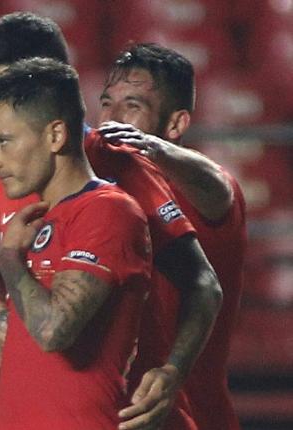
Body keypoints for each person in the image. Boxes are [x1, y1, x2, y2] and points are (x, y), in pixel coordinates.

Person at [0, 13, 223, 430]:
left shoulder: (118, 170)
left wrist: (174, 370)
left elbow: (203, 283)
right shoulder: (14, 176)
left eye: (10, 86)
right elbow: (27, 317)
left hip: (124, 404)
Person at [0, 57, 154, 429]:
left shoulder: (108, 212)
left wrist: (10, 257)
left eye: (3, 142)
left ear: (56, 135)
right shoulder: (40, 218)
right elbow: (29, 350)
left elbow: (53, 332)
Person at [98, 43, 247, 430]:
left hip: (197, 414)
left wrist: (152, 148)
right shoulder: (102, 194)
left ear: (176, 124)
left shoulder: (206, 191)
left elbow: (217, 185)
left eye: (132, 106)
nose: (111, 119)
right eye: (105, 104)